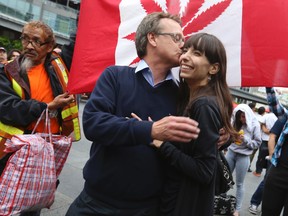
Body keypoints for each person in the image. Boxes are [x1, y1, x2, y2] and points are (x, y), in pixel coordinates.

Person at [66, 12, 229, 216]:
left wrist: (224, 136)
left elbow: (197, 148)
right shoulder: (115, 76)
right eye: (177, 38)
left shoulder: (183, 96)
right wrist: (151, 130)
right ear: (152, 38)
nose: (183, 47)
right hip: (96, 204)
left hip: (149, 208)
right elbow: (93, 123)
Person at [147, 33, 237, 215]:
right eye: (185, 50)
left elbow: (204, 171)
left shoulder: (203, 105)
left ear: (213, 68)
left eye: (196, 53)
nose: (185, 56)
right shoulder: (189, 98)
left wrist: (161, 144)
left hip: (184, 204)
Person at [0, 20, 81, 216]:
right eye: (25, 39)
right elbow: (7, 108)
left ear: (50, 46)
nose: (28, 46)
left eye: (36, 41)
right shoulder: (6, 71)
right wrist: (47, 106)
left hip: (48, 149)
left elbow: (80, 40)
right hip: (14, 151)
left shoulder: (60, 64)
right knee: (6, 203)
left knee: (33, 204)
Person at [225, 103, 261, 216]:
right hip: (231, 152)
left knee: (239, 183)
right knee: (224, 179)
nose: (242, 119)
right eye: (240, 116)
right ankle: (219, 200)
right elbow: (227, 135)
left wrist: (246, 139)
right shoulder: (235, 121)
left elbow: (257, 144)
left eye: (244, 116)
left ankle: (237, 209)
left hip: (244, 156)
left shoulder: (255, 124)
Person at [248, 118, 286, 215]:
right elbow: (272, 136)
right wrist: (272, 154)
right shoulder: (284, 117)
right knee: (269, 210)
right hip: (278, 167)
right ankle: (254, 203)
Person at [262, 87, 288, 216]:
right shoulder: (286, 116)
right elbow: (274, 106)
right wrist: (268, 83)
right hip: (278, 171)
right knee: (268, 211)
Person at [253, 106, 277, 177]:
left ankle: (258, 172)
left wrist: (265, 129)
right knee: (270, 156)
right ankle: (267, 173)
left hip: (264, 139)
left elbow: (260, 124)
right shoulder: (278, 118)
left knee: (261, 156)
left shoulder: (267, 116)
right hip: (273, 141)